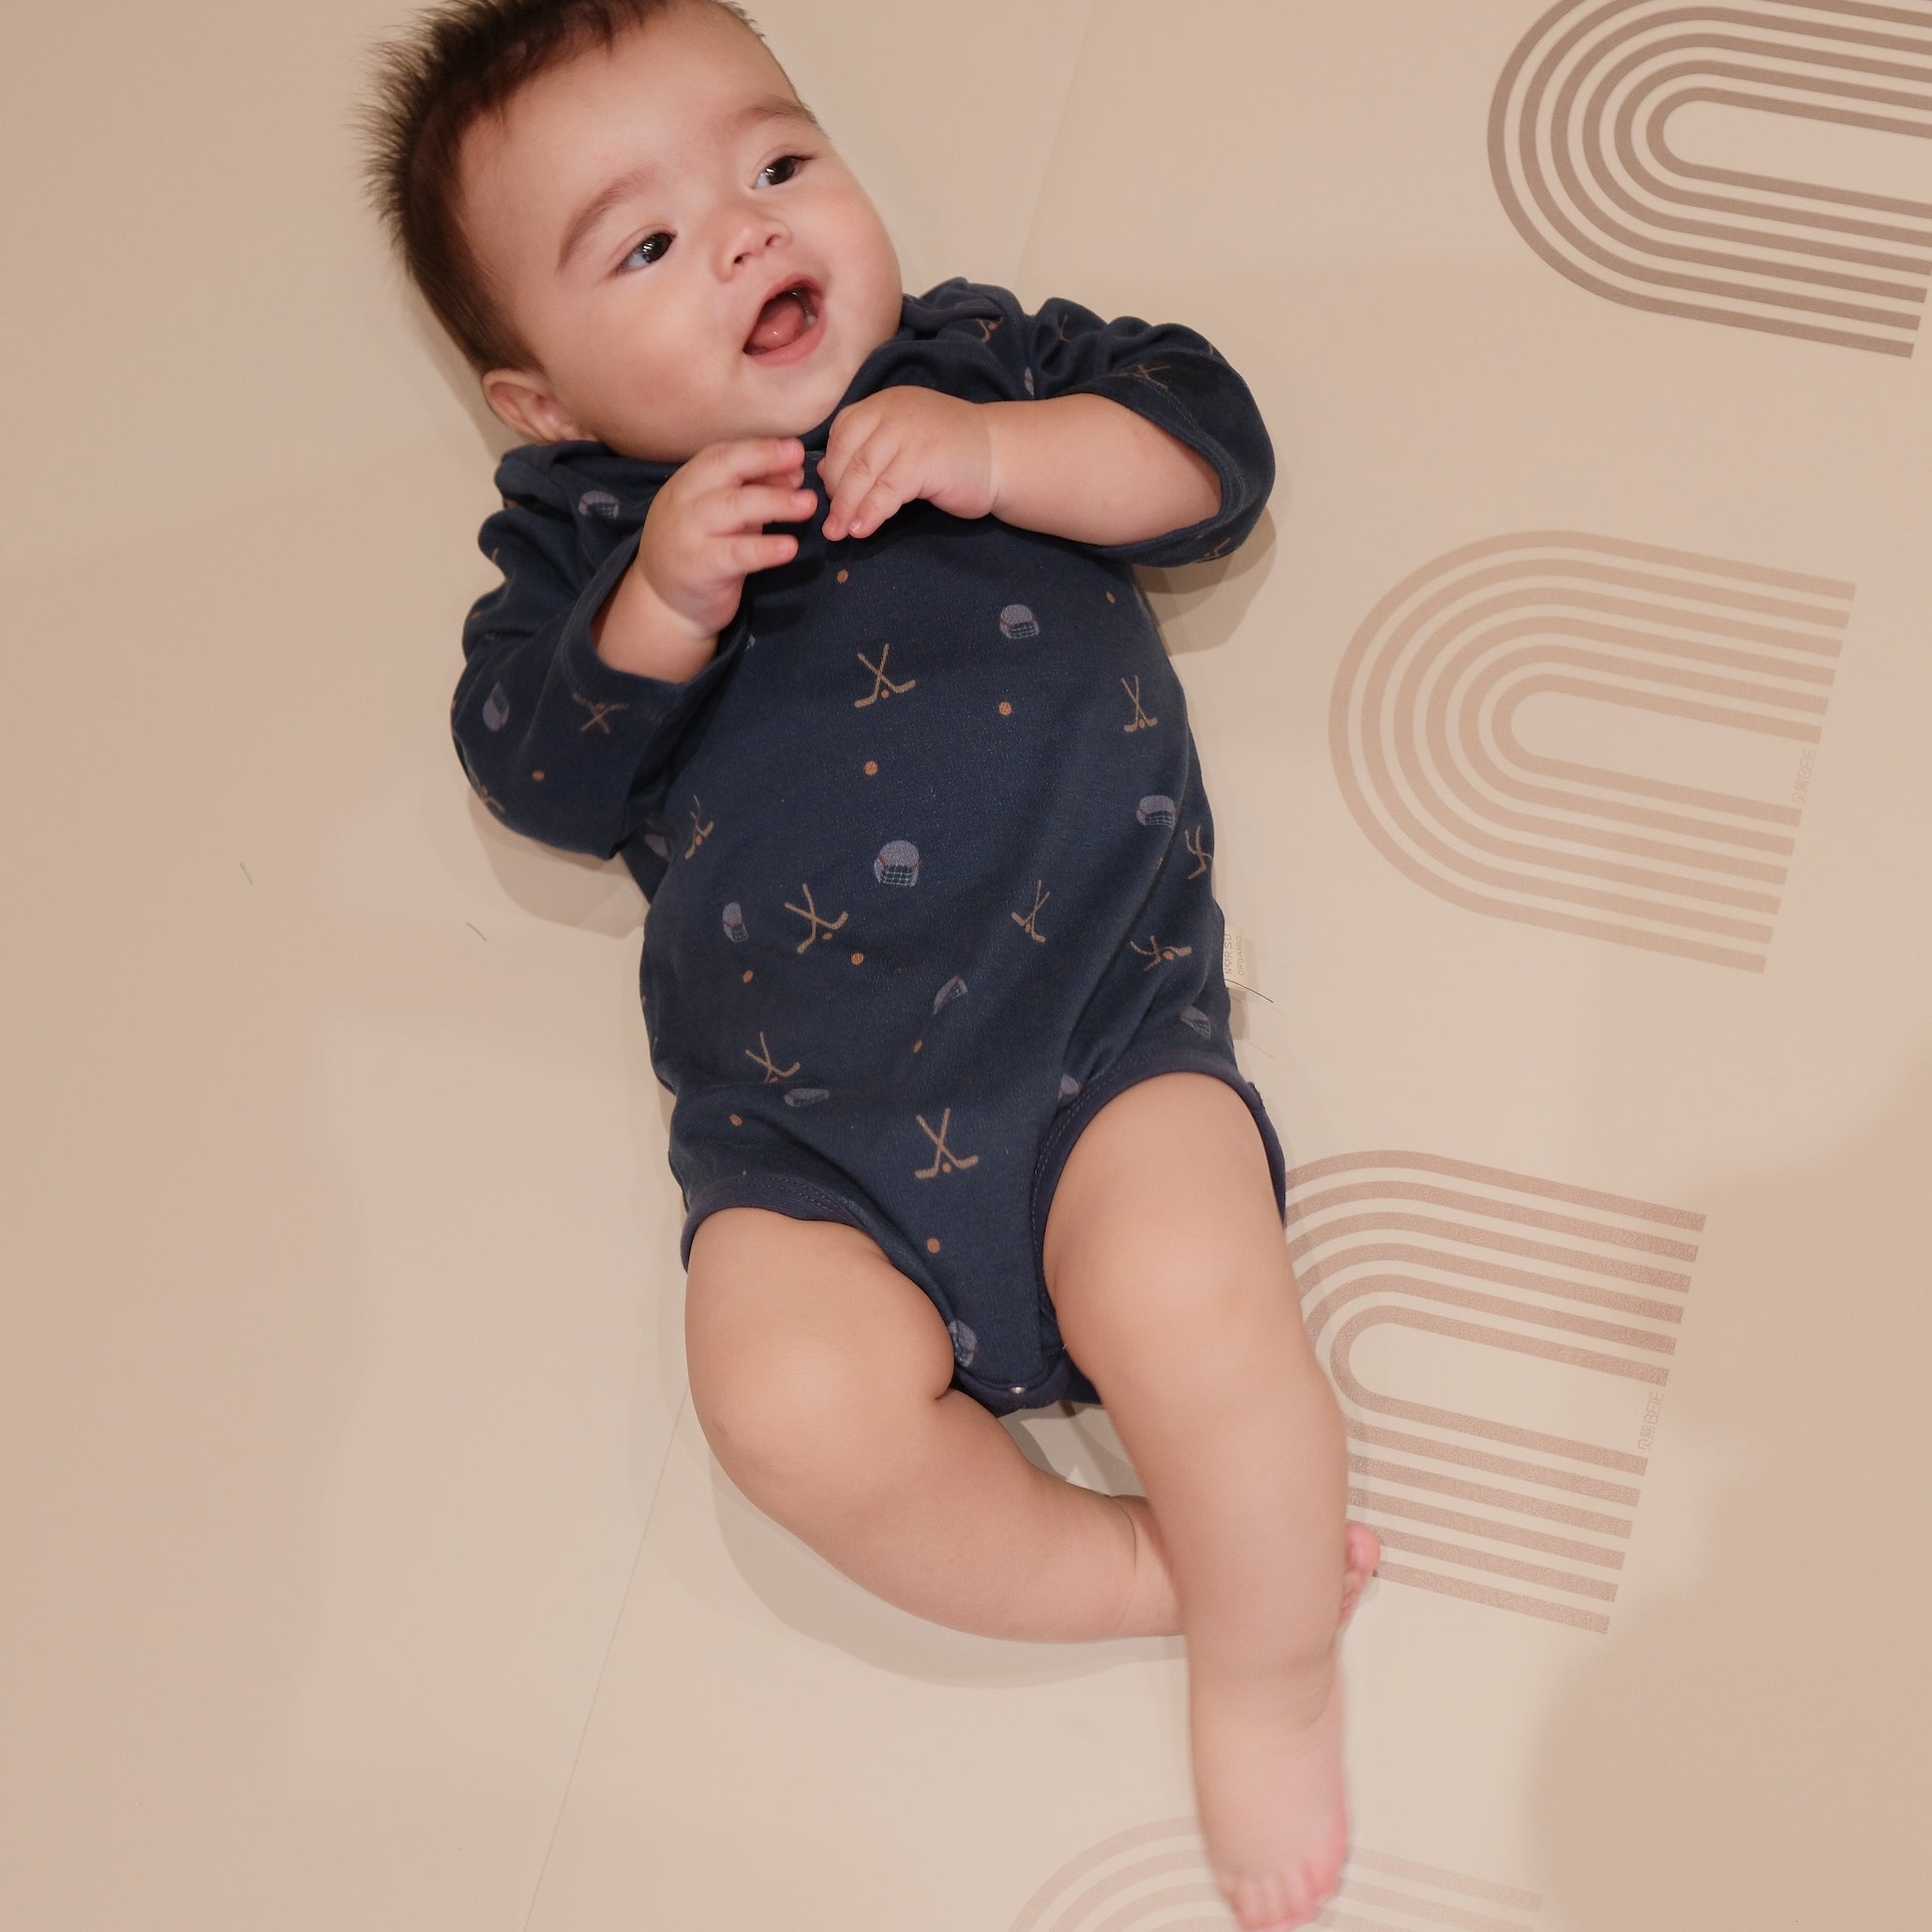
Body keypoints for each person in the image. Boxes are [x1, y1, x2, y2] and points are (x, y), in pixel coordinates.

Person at [358, 3, 1379, 1925]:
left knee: (1188, 1291)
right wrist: (657, 598)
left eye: (775, 163)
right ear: (542, 401)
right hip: (804, 1147)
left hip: (1095, 1040)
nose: (745, 232)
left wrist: (998, 451)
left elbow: (1206, 453)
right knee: (778, 1404)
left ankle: (1267, 1675)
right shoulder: (579, 543)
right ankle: (1146, 1572)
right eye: (645, 244)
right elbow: (536, 773)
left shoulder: (974, 355)